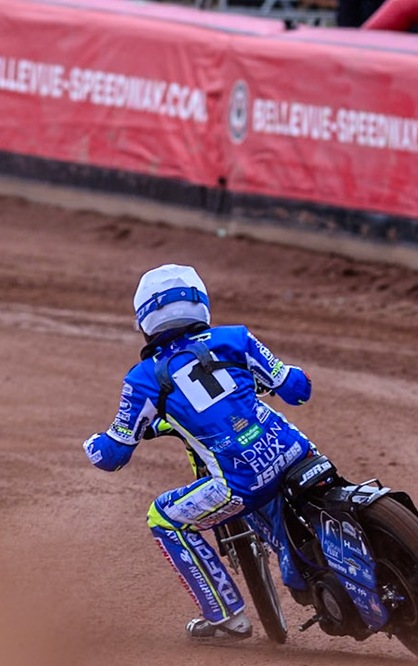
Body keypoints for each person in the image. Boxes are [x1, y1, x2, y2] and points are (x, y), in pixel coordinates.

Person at [85, 263, 316, 643]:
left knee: (163, 517)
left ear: (145, 319)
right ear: (201, 303)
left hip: (239, 484)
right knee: (282, 470)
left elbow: (113, 455)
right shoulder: (236, 338)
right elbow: (297, 390)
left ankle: (225, 615)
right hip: (294, 450)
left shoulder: (143, 378)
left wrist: (93, 446)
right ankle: (301, 556)